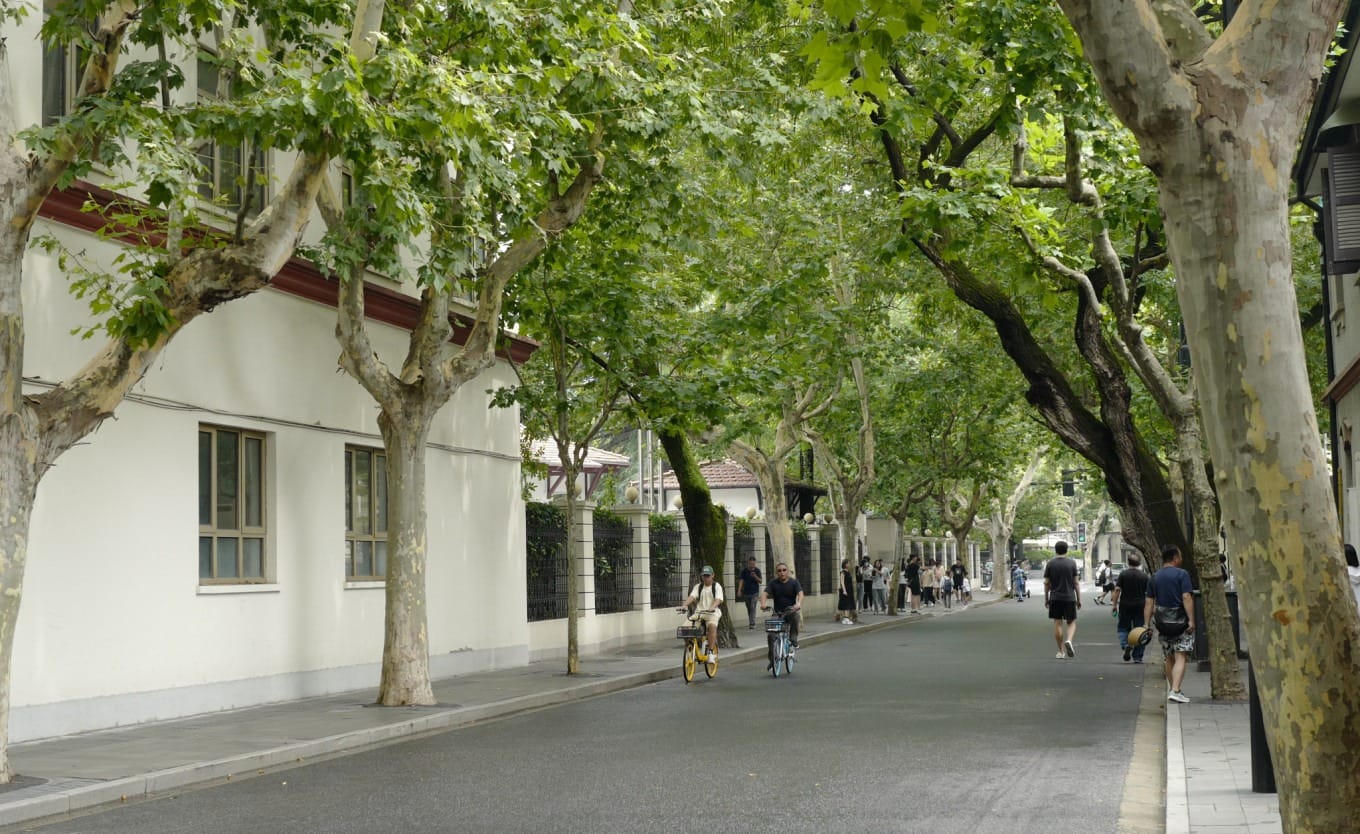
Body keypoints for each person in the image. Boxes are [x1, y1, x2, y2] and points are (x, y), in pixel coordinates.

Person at [1145, 545, 1195, 703]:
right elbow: (1186, 596)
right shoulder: (1182, 574)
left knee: (1168, 656)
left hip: (1162, 621)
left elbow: (1149, 602)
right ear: (1175, 558)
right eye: (1180, 556)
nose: (1181, 559)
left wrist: (1146, 624)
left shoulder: (1155, 576)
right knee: (1181, 655)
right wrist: (1191, 619)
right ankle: (1175, 690)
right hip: (1179, 620)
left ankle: (1174, 689)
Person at [759, 562, 805, 664]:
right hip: (777, 613)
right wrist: (763, 604)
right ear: (776, 573)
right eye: (779, 571)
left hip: (790, 611)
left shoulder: (794, 582)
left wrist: (798, 604)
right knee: (771, 635)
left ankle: (793, 638)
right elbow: (764, 594)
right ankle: (772, 659)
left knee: (796, 617)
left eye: (784, 570)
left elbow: (800, 594)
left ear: (788, 571)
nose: (782, 572)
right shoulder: (773, 583)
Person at [1043, 541, 1081, 658]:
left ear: (1055, 550)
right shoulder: (1072, 563)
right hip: (1069, 597)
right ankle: (1069, 640)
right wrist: (1078, 599)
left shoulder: (1050, 564)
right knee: (1072, 622)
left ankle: (1060, 651)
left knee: (1058, 623)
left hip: (1055, 597)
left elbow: (1046, 583)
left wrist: (1046, 598)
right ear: (1066, 550)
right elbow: (1076, 583)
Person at [1111, 553, 1149, 662]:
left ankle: (1126, 644)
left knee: (1123, 627)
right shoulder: (1144, 576)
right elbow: (1149, 594)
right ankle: (1138, 656)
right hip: (1140, 606)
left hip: (1125, 605)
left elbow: (1117, 590)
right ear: (1139, 563)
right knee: (1140, 630)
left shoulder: (1123, 574)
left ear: (1128, 562)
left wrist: (1114, 605)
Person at [680, 566, 724, 657]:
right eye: (704, 576)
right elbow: (691, 597)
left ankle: (711, 652)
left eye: (708, 576)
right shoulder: (698, 587)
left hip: (712, 613)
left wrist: (712, 607)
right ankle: (690, 647)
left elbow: (718, 599)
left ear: (713, 575)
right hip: (699, 613)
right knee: (685, 628)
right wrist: (684, 605)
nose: (706, 578)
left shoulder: (716, 586)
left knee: (712, 627)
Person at [738, 557, 763, 630]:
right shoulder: (744, 571)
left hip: (755, 593)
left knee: (753, 607)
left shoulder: (757, 571)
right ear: (748, 563)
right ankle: (751, 622)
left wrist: (755, 576)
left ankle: (753, 623)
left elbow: (760, 581)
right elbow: (741, 580)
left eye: (753, 564)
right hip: (746, 592)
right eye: (751, 563)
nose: (752, 565)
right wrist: (739, 590)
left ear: (755, 563)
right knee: (749, 608)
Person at [837, 559, 856, 624]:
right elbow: (842, 582)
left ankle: (846, 618)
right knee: (846, 605)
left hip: (849, 590)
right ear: (845, 564)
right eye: (848, 563)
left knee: (849, 604)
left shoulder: (848, 572)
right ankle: (845, 619)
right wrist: (844, 591)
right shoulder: (843, 572)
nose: (849, 564)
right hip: (845, 590)